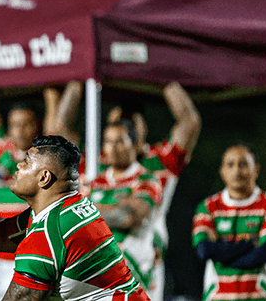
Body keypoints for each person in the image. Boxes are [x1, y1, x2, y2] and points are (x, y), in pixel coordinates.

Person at [52, 81, 201, 301]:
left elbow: (190, 122)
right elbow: (60, 132)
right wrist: (78, 79)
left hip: (141, 259)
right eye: (115, 124)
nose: (121, 129)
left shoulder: (158, 163)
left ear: (141, 128)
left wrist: (162, 76)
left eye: (130, 123)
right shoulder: (95, 165)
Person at [0, 135, 149, 301]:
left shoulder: (49, 234)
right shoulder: (70, 206)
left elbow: (19, 297)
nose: (18, 165)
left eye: (26, 162)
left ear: (44, 177)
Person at [193, 144, 266, 300]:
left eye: (243, 164)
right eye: (230, 165)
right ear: (221, 171)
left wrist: (222, 253)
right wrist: (250, 243)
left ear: (256, 169)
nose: (236, 170)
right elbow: (204, 250)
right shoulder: (208, 207)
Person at [0, 89, 43, 301]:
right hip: (2, 261)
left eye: (26, 124)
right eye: (14, 125)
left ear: (38, 126)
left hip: (33, 261)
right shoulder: (4, 152)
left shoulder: (47, 159)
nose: (20, 130)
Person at [86, 120, 163, 293]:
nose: (112, 148)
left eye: (120, 141)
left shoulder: (147, 180)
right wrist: (114, 207)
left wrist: (89, 210)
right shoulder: (95, 182)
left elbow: (128, 217)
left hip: (134, 269)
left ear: (135, 145)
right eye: (108, 141)